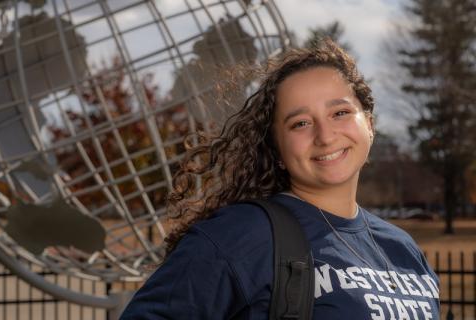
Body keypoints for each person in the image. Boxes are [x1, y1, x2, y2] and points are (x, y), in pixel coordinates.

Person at [120, 40, 440, 319]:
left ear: (369, 124)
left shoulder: (403, 249)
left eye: (340, 113)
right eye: (300, 123)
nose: (325, 136)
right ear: (276, 149)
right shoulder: (242, 234)